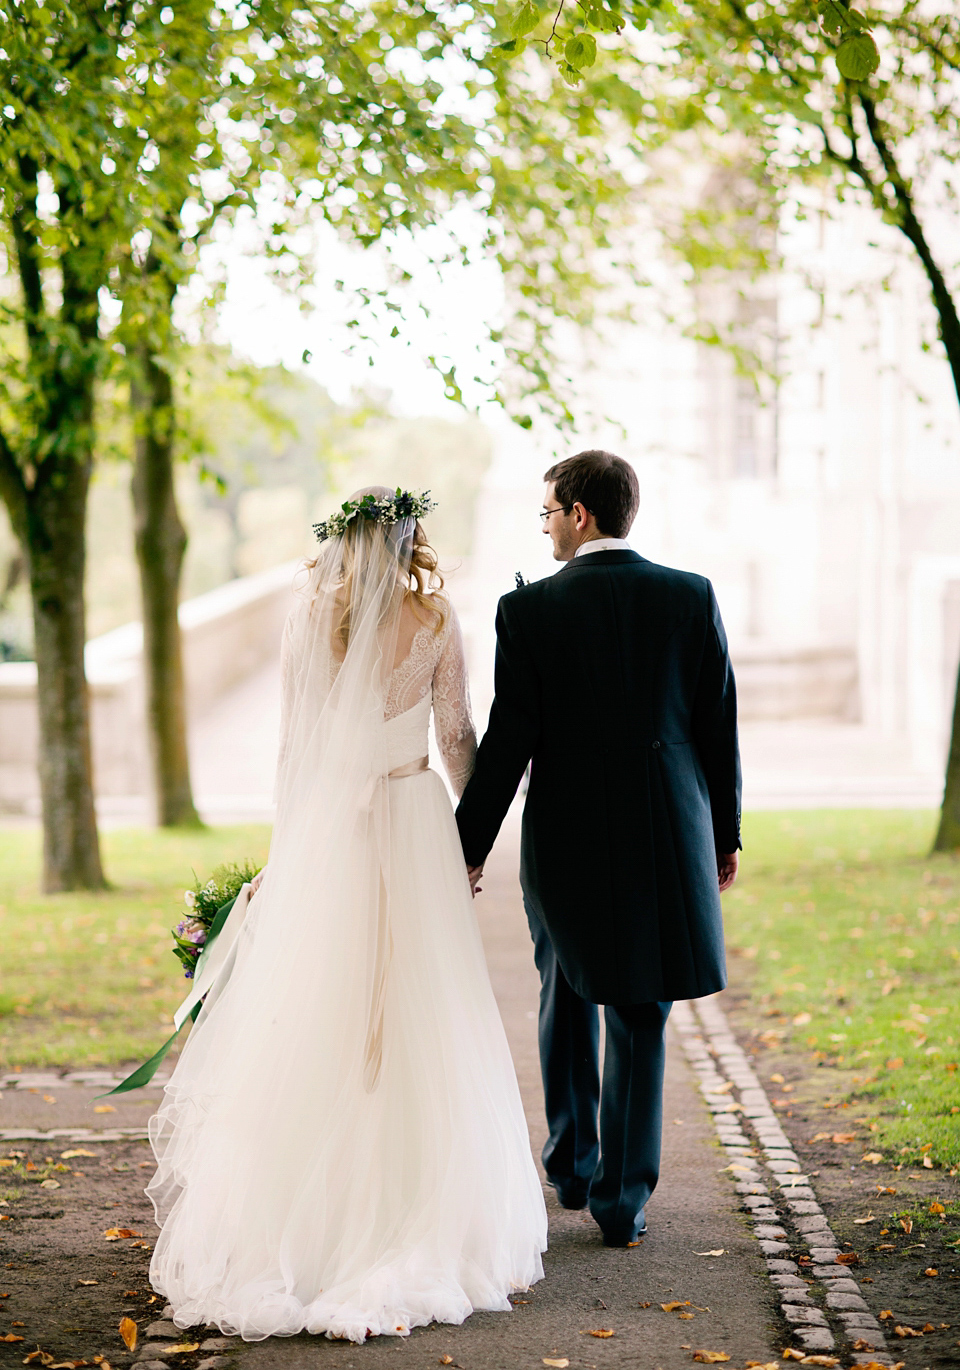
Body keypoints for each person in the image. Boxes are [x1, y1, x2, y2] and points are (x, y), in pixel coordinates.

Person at [146, 487, 546, 1343]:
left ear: (343, 544)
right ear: (410, 539)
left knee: (322, 1003)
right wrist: (468, 840)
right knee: (420, 1008)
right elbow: (453, 737)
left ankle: (311, 1226)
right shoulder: (437, 620)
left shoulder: (307, 619)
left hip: (333, 829)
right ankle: (416, 1209)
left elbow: (296, 746)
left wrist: (294, 854)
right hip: (411, 820)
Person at [456, 450, 741, 1248]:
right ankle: (622, 1202)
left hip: (567, 840)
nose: (545, 526)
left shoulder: (530, 612)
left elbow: (510, 743)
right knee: (643, 1008)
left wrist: (465, 847)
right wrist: (724, 835)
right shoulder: (690, 596)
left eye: (547, 511)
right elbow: (718, 725)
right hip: (666, 837)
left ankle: (572, 1165)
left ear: (579, 514)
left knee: (569, 989)